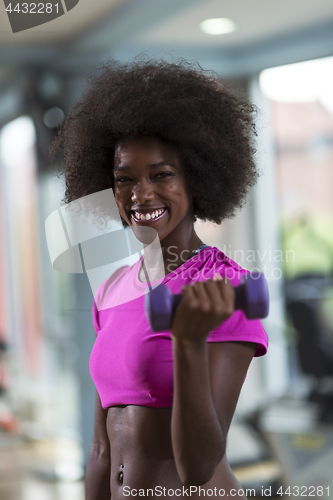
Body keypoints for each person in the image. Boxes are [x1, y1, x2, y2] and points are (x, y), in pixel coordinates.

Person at [51, 58, 269, 500]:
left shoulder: (223, 290)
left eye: (162, 175)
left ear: (198, 178)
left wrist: (188, 343)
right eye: (124, 179)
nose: (141, 195)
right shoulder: (112, 288)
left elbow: (199, 466)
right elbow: (100, 448)